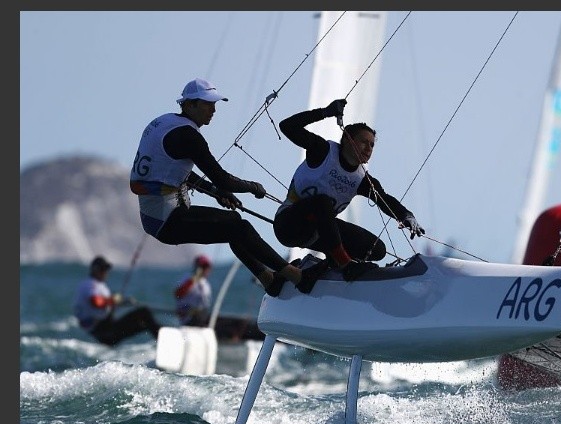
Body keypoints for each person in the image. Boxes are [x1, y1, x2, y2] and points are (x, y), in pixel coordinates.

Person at [130, 78, 318, 297]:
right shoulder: (189, 136)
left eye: (215, 104)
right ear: (189, 105)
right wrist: (251, 187)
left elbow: (171, 170)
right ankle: (298, 277)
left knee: (233, 228)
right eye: (208, 104)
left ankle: (270, 281)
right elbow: (224, 179)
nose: (214, 109)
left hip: (159, 215)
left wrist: (216, 192)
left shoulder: (165, 122)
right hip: (166, 220)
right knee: (239, 227)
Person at [272, 98, 425, 292]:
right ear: (347, 140)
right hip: (289, 225)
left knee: (377, 250)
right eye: (363, 142)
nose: (368, 149)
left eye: (372, 145)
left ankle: (314, 268)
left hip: (320, 234)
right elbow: (287, 126)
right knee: (322, 203)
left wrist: (406, 216)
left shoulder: (361, 179)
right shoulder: (322, 151)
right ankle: (344, 264)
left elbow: (384, 199)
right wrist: (324, 112)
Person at [73, 256, 162, 346]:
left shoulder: (96, 285)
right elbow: (97, 302)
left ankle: (164, 335)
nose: (106, 272)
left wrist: (122, 301)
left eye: (106, 269)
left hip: (106, 332)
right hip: (104, 333)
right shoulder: (90, 284)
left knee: (145, 324)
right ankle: (164, 340)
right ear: (95, 270)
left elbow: (102, 305)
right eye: (103, 269)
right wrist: (114, 300)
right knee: (144, 312)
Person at [174, 254, 265, 342]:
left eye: (207, 267)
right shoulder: (188, 279)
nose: (206, 270)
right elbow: (178, 294)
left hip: (201, 316)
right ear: (197, 267)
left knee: (232, 322)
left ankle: (244, 338)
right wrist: (194, 278)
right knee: (223, 325)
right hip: (190, 318)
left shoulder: (205, 283)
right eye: (203, 267)